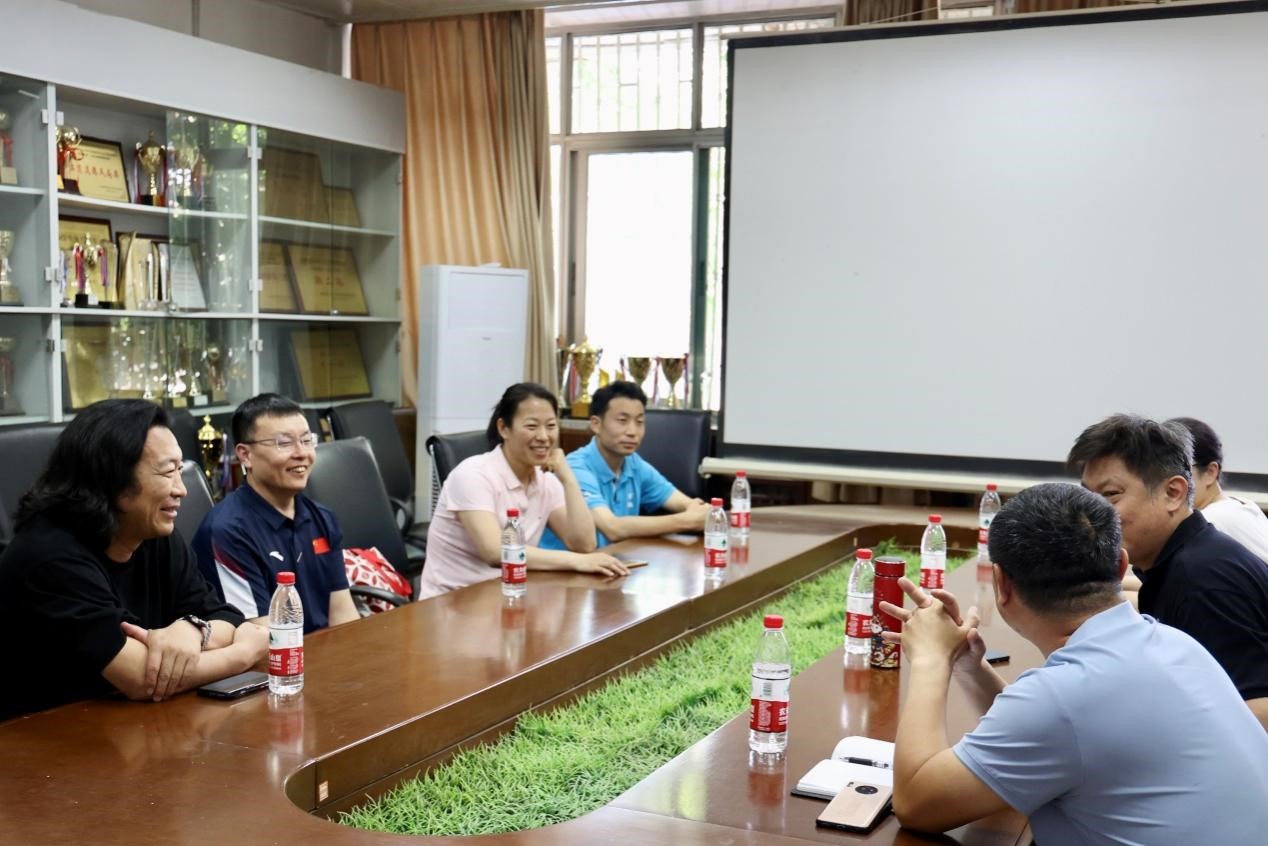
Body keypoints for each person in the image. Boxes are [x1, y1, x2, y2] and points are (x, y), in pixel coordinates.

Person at [882, 483, 1268, 843]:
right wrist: (968, 665)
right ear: (1120, 566)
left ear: (1001, 584)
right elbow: (1053, 737)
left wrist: (930, 660)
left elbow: (916, 802)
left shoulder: (1061, 699)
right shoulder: (1175, 643)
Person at [0, 400, 267, 721]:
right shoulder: (48, 557)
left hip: (131, 724)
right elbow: (143, 677)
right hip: (44, 737)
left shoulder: (153, 534)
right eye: (167, 472)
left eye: (180, 470)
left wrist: (193, 629)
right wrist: (242, 654)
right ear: (113, 480)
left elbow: (223, 616)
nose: (181, 490)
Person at [1068, 413, 1268, 728]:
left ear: (1173, 493)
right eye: (1087, 496)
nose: (1090, 515)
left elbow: (1259, 711)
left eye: (1110, 495)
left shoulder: (1202, 580)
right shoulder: (1176, 559)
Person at [418, 382, 628, 600]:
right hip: (451, 603)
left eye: (551, 426)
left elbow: (584, 544)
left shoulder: (545, 480)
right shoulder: (472, 475)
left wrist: (568, 479)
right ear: (503, 428)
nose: (544, 436)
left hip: (508, 597)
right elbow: (494, 551)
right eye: (531, 426)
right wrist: (576, 561)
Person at [193, 394, 357, 633]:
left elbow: (342, 614)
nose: (301, 453)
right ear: (245, 455)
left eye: (306, 440)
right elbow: (259, 634)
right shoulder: (227, 532)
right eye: (284, 443)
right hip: (272, 653)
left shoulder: (323, 518)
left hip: (324, 649)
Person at [538, 381, 711, 550]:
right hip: (564, 566)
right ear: (596, 424)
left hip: (614, 561)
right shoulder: (576, 467)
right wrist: (687, 521)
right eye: (622, 421)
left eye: (639, 422)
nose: (632, 432)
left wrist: (698, 511)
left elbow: (685, 503)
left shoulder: (634, 463)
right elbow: (612, 528)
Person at [1168, 416, 1268, 564]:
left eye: (1177, 469)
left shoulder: (1210, 522)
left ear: (1210, 472)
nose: (1165, 481)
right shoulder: (1239, 505)